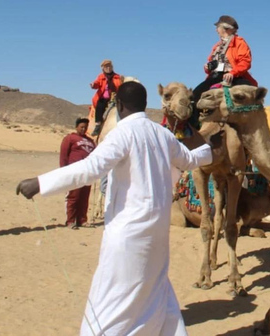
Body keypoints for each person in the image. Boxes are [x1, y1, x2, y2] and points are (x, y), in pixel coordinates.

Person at [16, 82, 213, 335]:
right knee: (154, 292)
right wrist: (209, 149)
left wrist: (41, 183)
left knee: (112, 301)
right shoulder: (163, 134)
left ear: (118, 105)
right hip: (157, 235)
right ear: (145, 104)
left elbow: (90, 169)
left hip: (128, 234)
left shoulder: (122, 133)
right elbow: (189, 160)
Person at [192, 15, 257, 103]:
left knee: (251, 96)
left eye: (218, 27)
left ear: (225, 29)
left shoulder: (239, 42)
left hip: (235, 76)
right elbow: (210, 62)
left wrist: (232, 73)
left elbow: (245, 61)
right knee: (194, 97)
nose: (216, 30)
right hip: (215, 77)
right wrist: (207, 67)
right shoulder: (217, 46)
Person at [59, 117, 96, 229]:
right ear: (76, 127)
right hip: (74, 171)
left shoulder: (91, 141)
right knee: (73, 196)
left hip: (87, 173)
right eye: (81, 127)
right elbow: (63, 155)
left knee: (84, 197)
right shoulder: (70, 138)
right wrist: (64, 170)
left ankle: (82, 220)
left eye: (85, 127)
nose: (83, 129)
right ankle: (70, 221)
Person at [90, 59, 122, 136]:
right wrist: (93, 85)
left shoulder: (117, 77)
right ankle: (98, 125)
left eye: (109, 66)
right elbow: (97, 83)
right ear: (103, 68)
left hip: (115, 97)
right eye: (106, 66)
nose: (108, 68)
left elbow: (121, 86)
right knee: (99, 106)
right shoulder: (101, 77)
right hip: (104, 97)